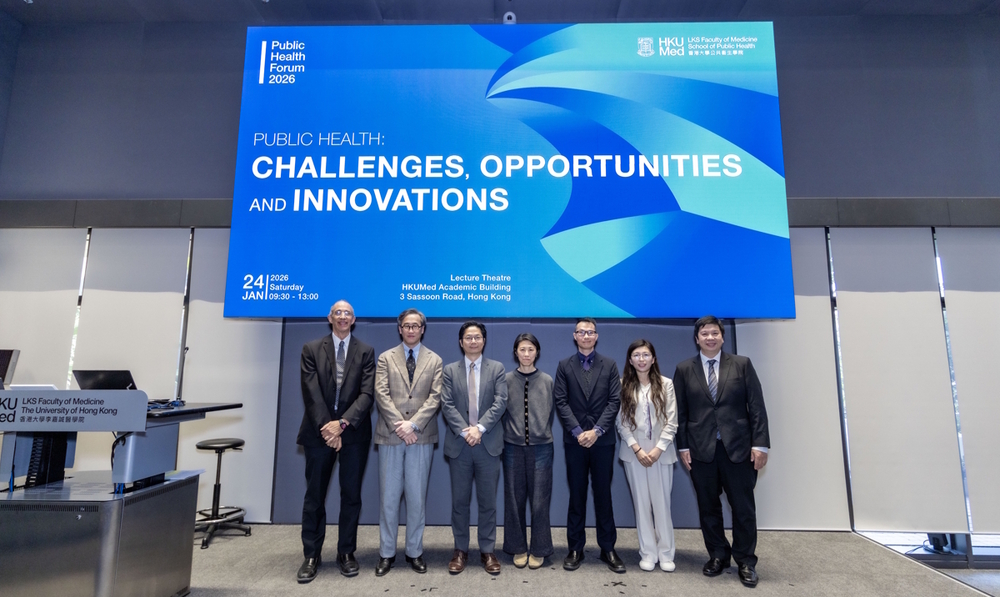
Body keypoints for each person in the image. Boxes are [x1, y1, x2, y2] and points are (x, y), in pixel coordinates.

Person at [673, 315, 770, 588]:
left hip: (738, 449)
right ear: (697, 338)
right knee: (708, 508)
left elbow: (757, 407)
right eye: (704, 334)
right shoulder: (684, 369)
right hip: (700, 450)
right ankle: (718, 555)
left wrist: (760, 444)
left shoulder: (742, 364)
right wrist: (683, 446)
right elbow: (681, 413)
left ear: (722, 336)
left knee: (743, 509)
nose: (710, 337)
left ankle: (746, 560)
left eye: (714, 333)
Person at [296, 300, 376, 583]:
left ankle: (346, 552)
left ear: (354, 319)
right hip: (319, 433)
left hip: (353, 434)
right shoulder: (311, 349)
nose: (343, 317)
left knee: (351, 496)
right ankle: (311, 555)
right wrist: (328, 429)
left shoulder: (366, 351)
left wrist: (341, 425)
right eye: (338, 312)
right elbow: (311, 392)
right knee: (314, 496)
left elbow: (367, 395)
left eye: (348, 313)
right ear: (329, 317)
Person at [373, 308, 443, 576]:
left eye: (416, 326)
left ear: (422, 329)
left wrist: (413, 424)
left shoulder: (434, 360)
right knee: (388, 499)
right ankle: (386, 553)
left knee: (416, 499)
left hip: (421, 436)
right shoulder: (385, 358)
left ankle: (415, 552)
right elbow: (381, 393)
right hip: (391, 436)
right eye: (406, 325)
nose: (411, 330)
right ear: (399, 328)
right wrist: (401, 426)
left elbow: (435, 397)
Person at [553, 317, 625, 573]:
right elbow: (560, 401)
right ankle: (575, 548)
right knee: (577, 495)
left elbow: (614, 401)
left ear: (596, 336)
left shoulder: (610, 364)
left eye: (590, 332)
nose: (586, 335)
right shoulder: (564, 365)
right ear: (574, 336)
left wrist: (596, 431)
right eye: (581, 332)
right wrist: (577, 432)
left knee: (603, 495)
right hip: (574, 443)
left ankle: (608, 548)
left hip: (602, 441)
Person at [440, 321, 508, 575]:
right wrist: (466, 431)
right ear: (461, 342)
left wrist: (479, 429)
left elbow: (501, 401)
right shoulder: (449, 370)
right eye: (468, 337)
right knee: (460, 502)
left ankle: (487, 550)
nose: (473, 341)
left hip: (487, 443)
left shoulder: (497, 369)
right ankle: (460, 550)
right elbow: (446, 404)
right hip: (460, 445)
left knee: (487, 502)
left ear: (484, 340)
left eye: (477, 337)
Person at [616, 339, 678, 573]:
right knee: (641, 506)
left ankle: (666, 553)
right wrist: (637, 448)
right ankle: (648, 553)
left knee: (662, 504)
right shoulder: (623, 385)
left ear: (653, 358)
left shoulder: (666, 384)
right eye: (636, 355)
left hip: (661, 451)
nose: (641, 359)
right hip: (635, 452)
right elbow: (621, 423)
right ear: (630, 360)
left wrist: (657, 449)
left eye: (645, 355)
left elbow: (672, 422)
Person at [501, 333, 555, 570]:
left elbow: (551, 411)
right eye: (522, 349)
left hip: (541, 447)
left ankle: (540, 548)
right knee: (514, 498)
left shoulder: (547, 380)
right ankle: (518, 547)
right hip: (512, 446)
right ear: (515, 352)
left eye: (530, 349)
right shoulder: (505, 380)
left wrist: (539, 430)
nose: (526, 354)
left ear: (537, 352)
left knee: (540, 500)